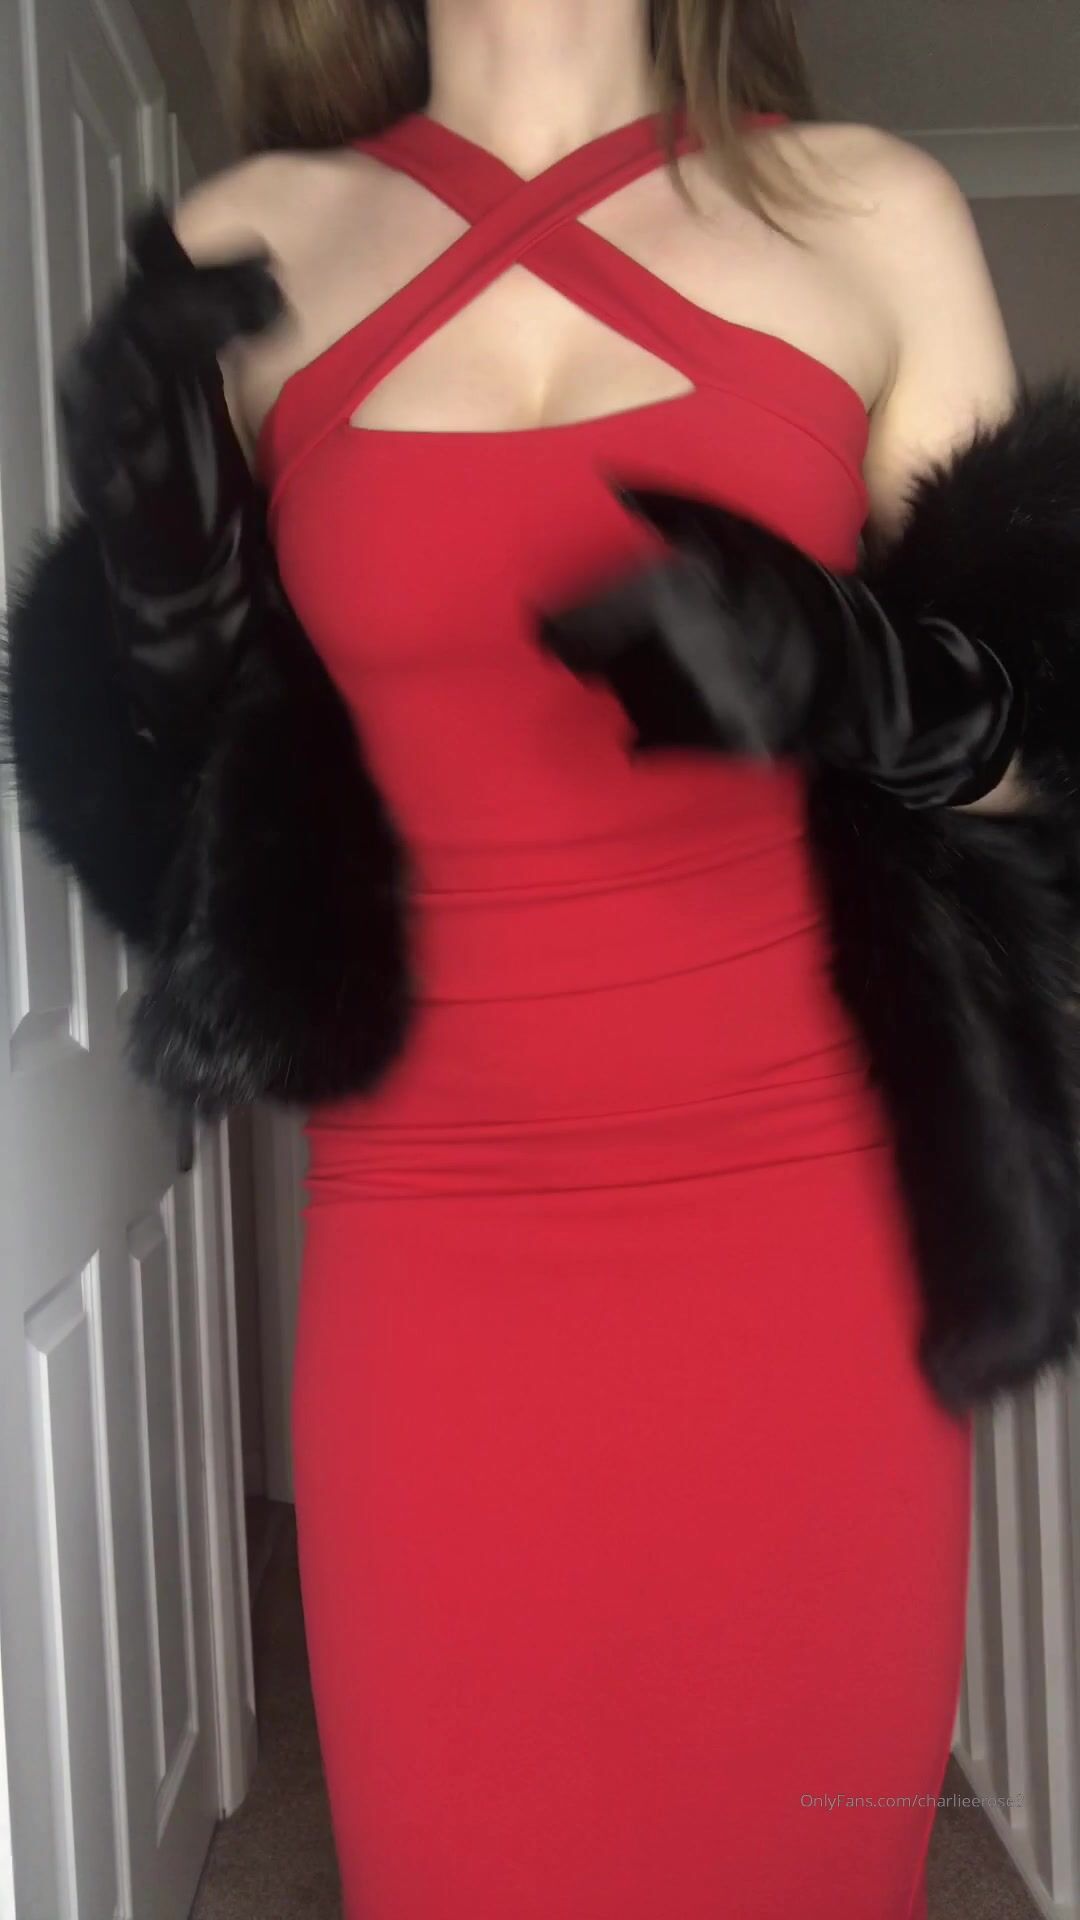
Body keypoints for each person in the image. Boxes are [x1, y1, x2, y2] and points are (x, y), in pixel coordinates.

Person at [5, 3, 1080, 1916]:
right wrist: (161, 622)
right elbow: (209, 876)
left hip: (809, 1252)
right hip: (434, 1262)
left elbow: (1052, 781)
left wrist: (882, 687)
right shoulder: (252, 236)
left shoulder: (875, 214)